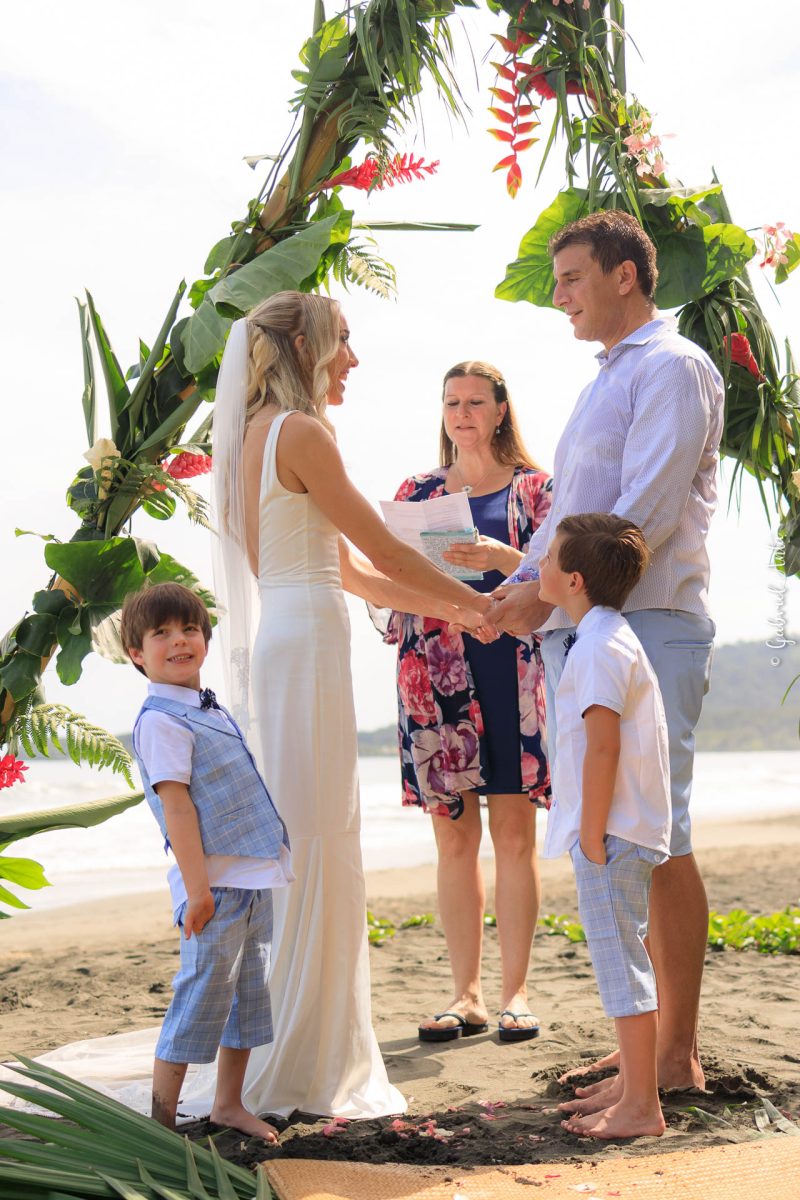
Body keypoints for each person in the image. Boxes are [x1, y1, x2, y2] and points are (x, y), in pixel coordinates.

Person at [212, 292, 495, 1120]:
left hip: (290, 637)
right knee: (320, 835)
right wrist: (483, 606)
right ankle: (305, 1051)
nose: (353, 360)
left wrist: (456, 609)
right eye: (344, 343)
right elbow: (377, 548)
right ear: (305, 344)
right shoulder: (303, 433)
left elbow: (354, 573)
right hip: (308, 646)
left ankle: (298, 1029)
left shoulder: (248, 439)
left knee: (308, 833)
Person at [488, 210, 723, 1101]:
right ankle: (645, 1049)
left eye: (573, 278)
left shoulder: (674, 366)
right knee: (619, 835)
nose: (560, 296)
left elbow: (643, 516)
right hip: (587, 627)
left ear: (626, 275)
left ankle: (672, 1058)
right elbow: (570, 516)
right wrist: (520, 584)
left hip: (651, 622)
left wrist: (541, 592)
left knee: (659, 837)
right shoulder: (608, 378)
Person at [382, 361, 551, 1043]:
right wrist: (450, 603)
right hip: (435, 669)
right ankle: (466, 995)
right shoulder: (417, 491)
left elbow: (557, 576)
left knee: (513, 834)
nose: (462, 414)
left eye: (475, 401)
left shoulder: (537, 490)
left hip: (510, 665)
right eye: (452, 402)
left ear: (501, 409)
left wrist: (497, 555)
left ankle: (515, 995)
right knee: (454, 838)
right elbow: (390, 577)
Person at [120, 581, 292, 1142]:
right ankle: (162, 1123)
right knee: (200, 998)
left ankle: (227, 1103)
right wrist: (198, 892)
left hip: (249, 880)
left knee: (247, 995)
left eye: (189, 629)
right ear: (136, 654)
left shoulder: (206, 708)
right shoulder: (163, 720)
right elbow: (178, 812)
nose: (179, 641)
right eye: (161, 633)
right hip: (213, 888)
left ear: (206, 639)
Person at [537, 514, 670, 1140]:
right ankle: (632, 1084)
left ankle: (642, 1105)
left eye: (547, 559)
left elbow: (602, 748)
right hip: (625, 825)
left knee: (620, 964)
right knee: (628, 953)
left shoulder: (594, 648)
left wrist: (590, 836)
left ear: (574, 580)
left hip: (611, 831)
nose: (538, 567)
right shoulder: (610, 636)